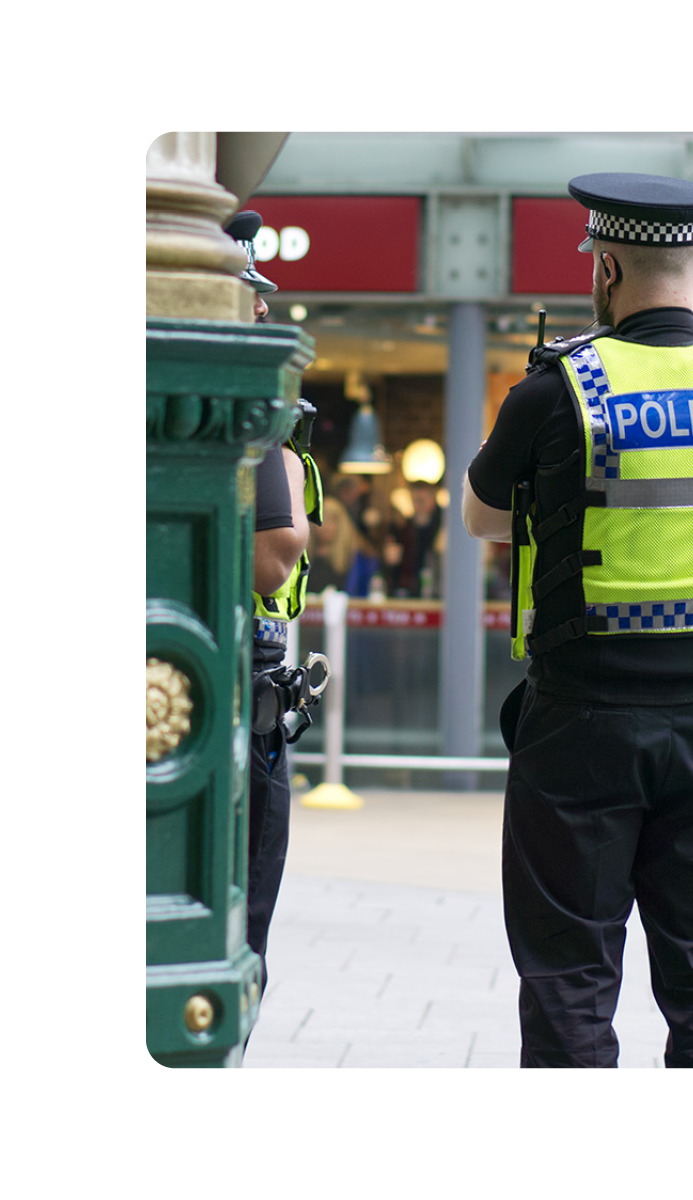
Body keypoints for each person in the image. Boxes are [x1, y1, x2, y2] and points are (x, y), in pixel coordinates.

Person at [463, 173, 693, 1069]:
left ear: (604, 267)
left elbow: (480, 517)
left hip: (580, 724)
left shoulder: (558, 389)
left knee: (571, 976)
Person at [225, 210, 324, 1011]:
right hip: (233, 695)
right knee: (240, 927)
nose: (263, 312)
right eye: (246, 296)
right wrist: (285, 462)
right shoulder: (244, 413)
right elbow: (273, 556)